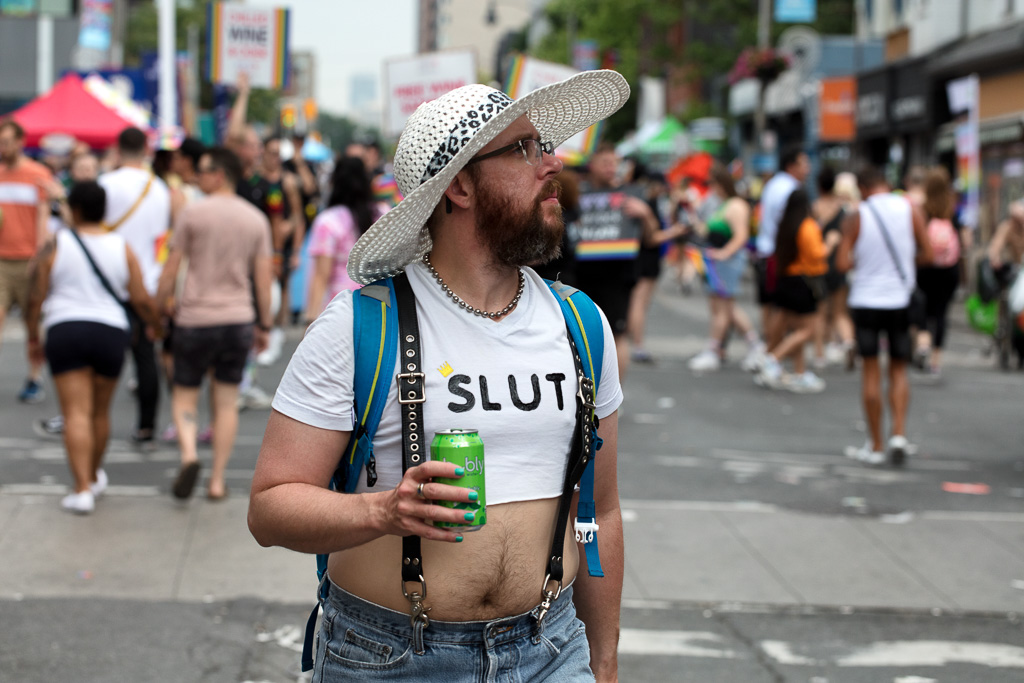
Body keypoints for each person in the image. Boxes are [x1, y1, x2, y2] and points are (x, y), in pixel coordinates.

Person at [249, 72, 629, 681]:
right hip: (389, 656)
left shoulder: (581, 325)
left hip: (551, 651)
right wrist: (381, 512)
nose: (552, 163)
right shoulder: (357, 327)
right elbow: (269, 508)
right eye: (524, 149)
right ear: (459, 188)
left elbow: (600, 513)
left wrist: (604, 661)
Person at [24, 181, 158, 514]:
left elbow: (35, 297)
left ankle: (81, 487)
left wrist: (32, 336)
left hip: (65, 329)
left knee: (75, 413)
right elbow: (140, 297)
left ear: (76, 208)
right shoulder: (121, 246)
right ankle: (95, 475)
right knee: (100, 412)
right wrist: (156, 323)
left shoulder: (55, 245)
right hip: (111, 332)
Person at [156, 147, 273, 501]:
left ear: (219, 174)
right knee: (225, 402)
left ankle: (190, 454)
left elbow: (172, 267)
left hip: (195, 318)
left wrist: (160, 309)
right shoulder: (255, 219)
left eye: (203, 170)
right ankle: (218, 480)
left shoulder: (193, 213)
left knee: (185, 395)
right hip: (237, 318)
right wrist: (264, 324)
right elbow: (263, 280)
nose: (197, 176)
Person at [837, 165, 931, 466]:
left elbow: (841, 262)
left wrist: (863, 265)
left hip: (865, 300)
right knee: (899, 368)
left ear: (863, 188)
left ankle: (876, 444)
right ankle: (899, 434)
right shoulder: (910, 210)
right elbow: (928, 254)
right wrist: (905, 262)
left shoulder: (856, 216)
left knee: (870, 371)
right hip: (900, 300)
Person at [573, 143, 682, 378]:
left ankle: (614, 398)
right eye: (605, 163)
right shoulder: (578, 194)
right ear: (592, 165)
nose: (611, 168)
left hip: (618, 275)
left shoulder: (631, 195)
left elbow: (652, 239)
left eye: (615, 163)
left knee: (616, 335)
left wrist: (646, 214)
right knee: (579, 334)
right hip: (581, 273)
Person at [98, 126, 172, 443]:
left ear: (117, 148)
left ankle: (90, 417)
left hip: (108, 281)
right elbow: (162, 239)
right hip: (149, 282)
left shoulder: (106, 184)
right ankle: (146, 425)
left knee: (99, 357)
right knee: (145, 356)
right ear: (146, 149)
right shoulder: (159, 188)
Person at [687, 163, 763, 373]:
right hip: (717, 261)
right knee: (725, 309)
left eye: (711, 183)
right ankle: (753, 345)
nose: (709, 187)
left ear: (721, 183)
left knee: (723, 309)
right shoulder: (722, 204)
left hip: (727, 263)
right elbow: (707, 230)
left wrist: (723, 253)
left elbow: (741, 237)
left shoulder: (735, 205)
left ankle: (715, 350)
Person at [0, 119, 54, 404]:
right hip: (1, 263)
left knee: (32, 326)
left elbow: (43, 222)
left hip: (29, 263)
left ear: (21, 142)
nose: (2, 147)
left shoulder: (37, 174)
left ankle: (34, 377)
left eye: (7, 141)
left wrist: (39, 255)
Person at [754, 189, 828, 393]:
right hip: (803, 281)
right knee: (807, 331)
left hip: (785, 279)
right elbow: (816, 255)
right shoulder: (808, 226)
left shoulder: (784, 225)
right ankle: (772, 359)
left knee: (795, 329)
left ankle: (799, 372)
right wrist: (830, 244)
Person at [303, 156, 385, 321]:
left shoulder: (328, 221)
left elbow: (321, 276)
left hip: (339, 313)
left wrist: (311, 319)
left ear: (334, 182)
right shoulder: (383, 214)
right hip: (380, 309)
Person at [754, 146, 810, 347]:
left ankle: (770, 351)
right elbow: (789, 227)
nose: (808, 169)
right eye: (804, 164)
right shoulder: (789, 189)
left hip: (769, 252)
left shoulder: (774, 185)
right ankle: (772, 353)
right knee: (785, 310)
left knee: (774, 307)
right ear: (791, 165)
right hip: (781, 256)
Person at [913, 167, 962, 376]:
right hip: (949, 268)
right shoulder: (953, 210)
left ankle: (923, 343)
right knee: (941, 312)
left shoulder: (922, 210)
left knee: (922, 307)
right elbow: (964, 238)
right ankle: (935, 361)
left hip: (925, 265)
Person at [811, 166, 855, 369]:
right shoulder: (844, 211)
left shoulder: (814, 208)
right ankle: (848, 342)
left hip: (818, 265)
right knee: (840, 313)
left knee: (820, 313)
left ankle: (820, 353)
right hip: (839, 265)